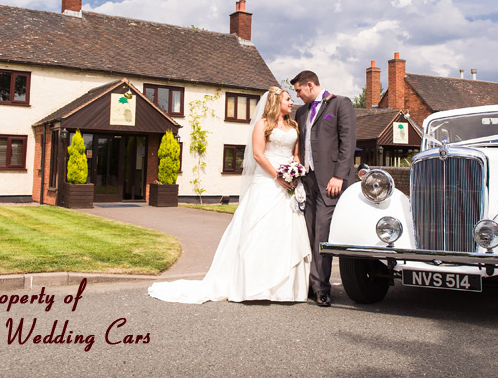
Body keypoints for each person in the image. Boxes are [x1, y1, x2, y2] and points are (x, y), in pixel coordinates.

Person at [148, 87, 311, 304]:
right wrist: (278, 176)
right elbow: (258, 154)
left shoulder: (293, 126)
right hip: (268, 181)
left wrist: (295, 172)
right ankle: (254, 286)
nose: (291, 103)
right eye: (287, 99)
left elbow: (296, 154)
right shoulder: (262, 124)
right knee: (260, 230)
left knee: (286, 231)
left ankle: (284, 288)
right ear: (275, 101)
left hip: (289, 185)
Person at [291, 70, 356, 307]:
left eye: (299, 90)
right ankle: (307, 284)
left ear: (310, 85)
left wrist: (338, 175)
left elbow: (348, 142)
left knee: (321, 233)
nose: (297, 95)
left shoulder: (340, 104)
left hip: (330, 182)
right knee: (306, 233)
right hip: (306, 180)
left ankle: (321, 288)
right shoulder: (301, 112)